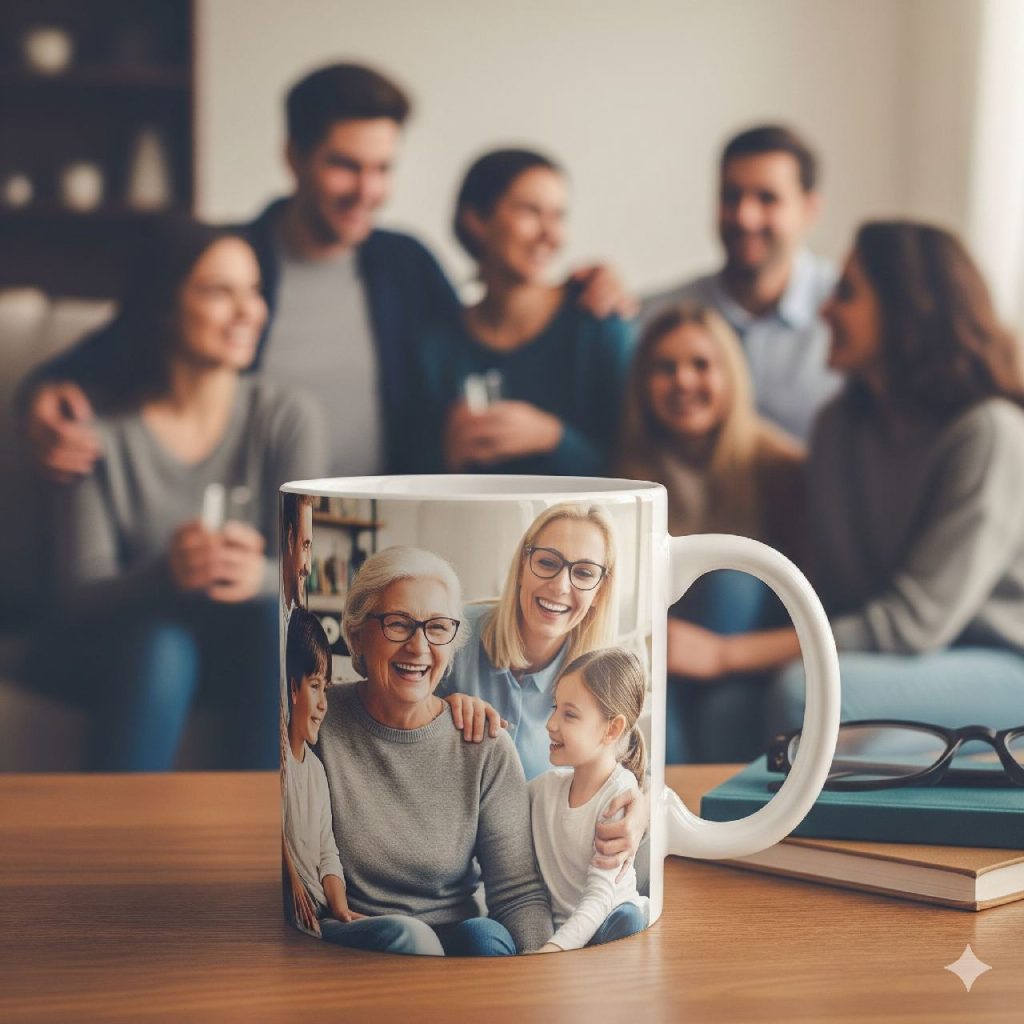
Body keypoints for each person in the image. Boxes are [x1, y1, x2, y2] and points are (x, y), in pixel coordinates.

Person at [22, 64, 633, 481]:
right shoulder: (229, 263)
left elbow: (478, 341)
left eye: (383, 169)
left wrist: (582, 286)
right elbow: (110, 351)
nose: (368, 191)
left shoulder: (405, 264)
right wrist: (43, 394)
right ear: (293, 157)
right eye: (346, 166)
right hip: (257, 542)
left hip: (382, 547)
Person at [669, 221, 1024, 739]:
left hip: (993, 659)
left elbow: (911, 626)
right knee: (727, 711)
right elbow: (832, 591)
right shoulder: (838, 426)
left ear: (908, 308)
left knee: (800, 696)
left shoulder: (988, 433)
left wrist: (725, 655)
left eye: (847, 292)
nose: (824, 310)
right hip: (889, 652)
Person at [49, 219, 326, 771]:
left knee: (261, 629)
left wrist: (261, 579)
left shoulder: (288, 417)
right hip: (127, 655)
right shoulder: (99, 434)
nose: (248, 311)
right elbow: (75, 595)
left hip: (247, 646)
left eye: (253, 291)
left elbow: (315, 576)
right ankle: (122, 844)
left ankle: (262, 842)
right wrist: (166, 575)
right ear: (164, 306)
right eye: (220, 292)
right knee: (161, 646)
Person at [315, 546, 553, 956]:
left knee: (485, 936)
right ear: (356, 635)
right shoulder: (317, 721)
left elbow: (517, 893)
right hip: (357, 947)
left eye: (437, 627)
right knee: (415, 940)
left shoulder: (485, 744)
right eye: (398, 623)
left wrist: (541, 975)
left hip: (457, 948)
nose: (418, 646)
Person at [618, 303, 804, 761]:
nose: (683, 380)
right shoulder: (626, 473)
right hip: (663, 661)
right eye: (665, 368)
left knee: (732, 577)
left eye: (701, 365)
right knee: (656, 700)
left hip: (748, 654)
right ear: (643, 384)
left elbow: (813, 605)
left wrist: (720, 653)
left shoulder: (782, 468)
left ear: (731, 376)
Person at [440, 503, 647, 874]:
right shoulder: (452, 634)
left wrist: (643, 812)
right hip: (454, 872)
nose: (561, 585)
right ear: (523, 565)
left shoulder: (605, 678)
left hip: (547, 879)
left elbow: (631, 777)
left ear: (601, 591)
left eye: (584, 572)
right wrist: (437, 714)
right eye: (548, 563)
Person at [412, 149, 632, 475]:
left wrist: (553, 439)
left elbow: (642, 467)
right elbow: (407, 468)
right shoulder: (438, 345)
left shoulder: (596, 324)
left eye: (559, 216)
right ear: (476, 220)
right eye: (531, 211)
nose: (551, 235)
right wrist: (444, 456)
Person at [640, 125, 840, 442]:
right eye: (731, 197)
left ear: (809, 209)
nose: (745, 217)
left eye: (767, 198)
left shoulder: (849, 315)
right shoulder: (655, 319)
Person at [530, 648, 649, 952]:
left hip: (605, 917)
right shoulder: (545, 789)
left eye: (569, 714)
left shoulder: (618, 797)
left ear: (613, 728)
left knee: (627, 918)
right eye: (555, 708)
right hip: (562, 930)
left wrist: (554, 949)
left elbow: (599, 897)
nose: (550, 724)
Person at [282, 608, 364, 939]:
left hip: (323, 913)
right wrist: (294, 881)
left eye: (326, 690)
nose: (323, 704)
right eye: (315, 686)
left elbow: (328, 851)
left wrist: (341, 908)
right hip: (299, 915)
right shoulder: (279, 762)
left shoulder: (316, 771)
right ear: (292, 690)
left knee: (403, 933)